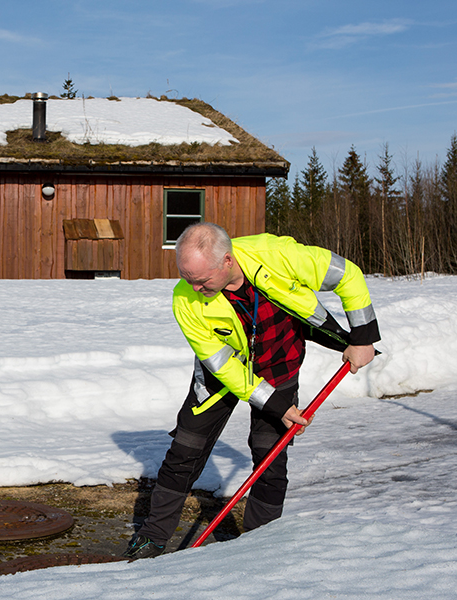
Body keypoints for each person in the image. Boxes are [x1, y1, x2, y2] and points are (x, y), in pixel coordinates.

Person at [123, 222, 380, 560]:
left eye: (202, 280)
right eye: (188, 279)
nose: (195, 287)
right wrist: (273, 403)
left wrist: (362, 337)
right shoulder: (185, 298)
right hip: (222, 376)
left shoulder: (278, 255)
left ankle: (261, 543)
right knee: (185, 452)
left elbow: (348, 274)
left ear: (227, 260)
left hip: (280, 362)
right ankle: (153, 537)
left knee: (271, 455)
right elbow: (222, 365)